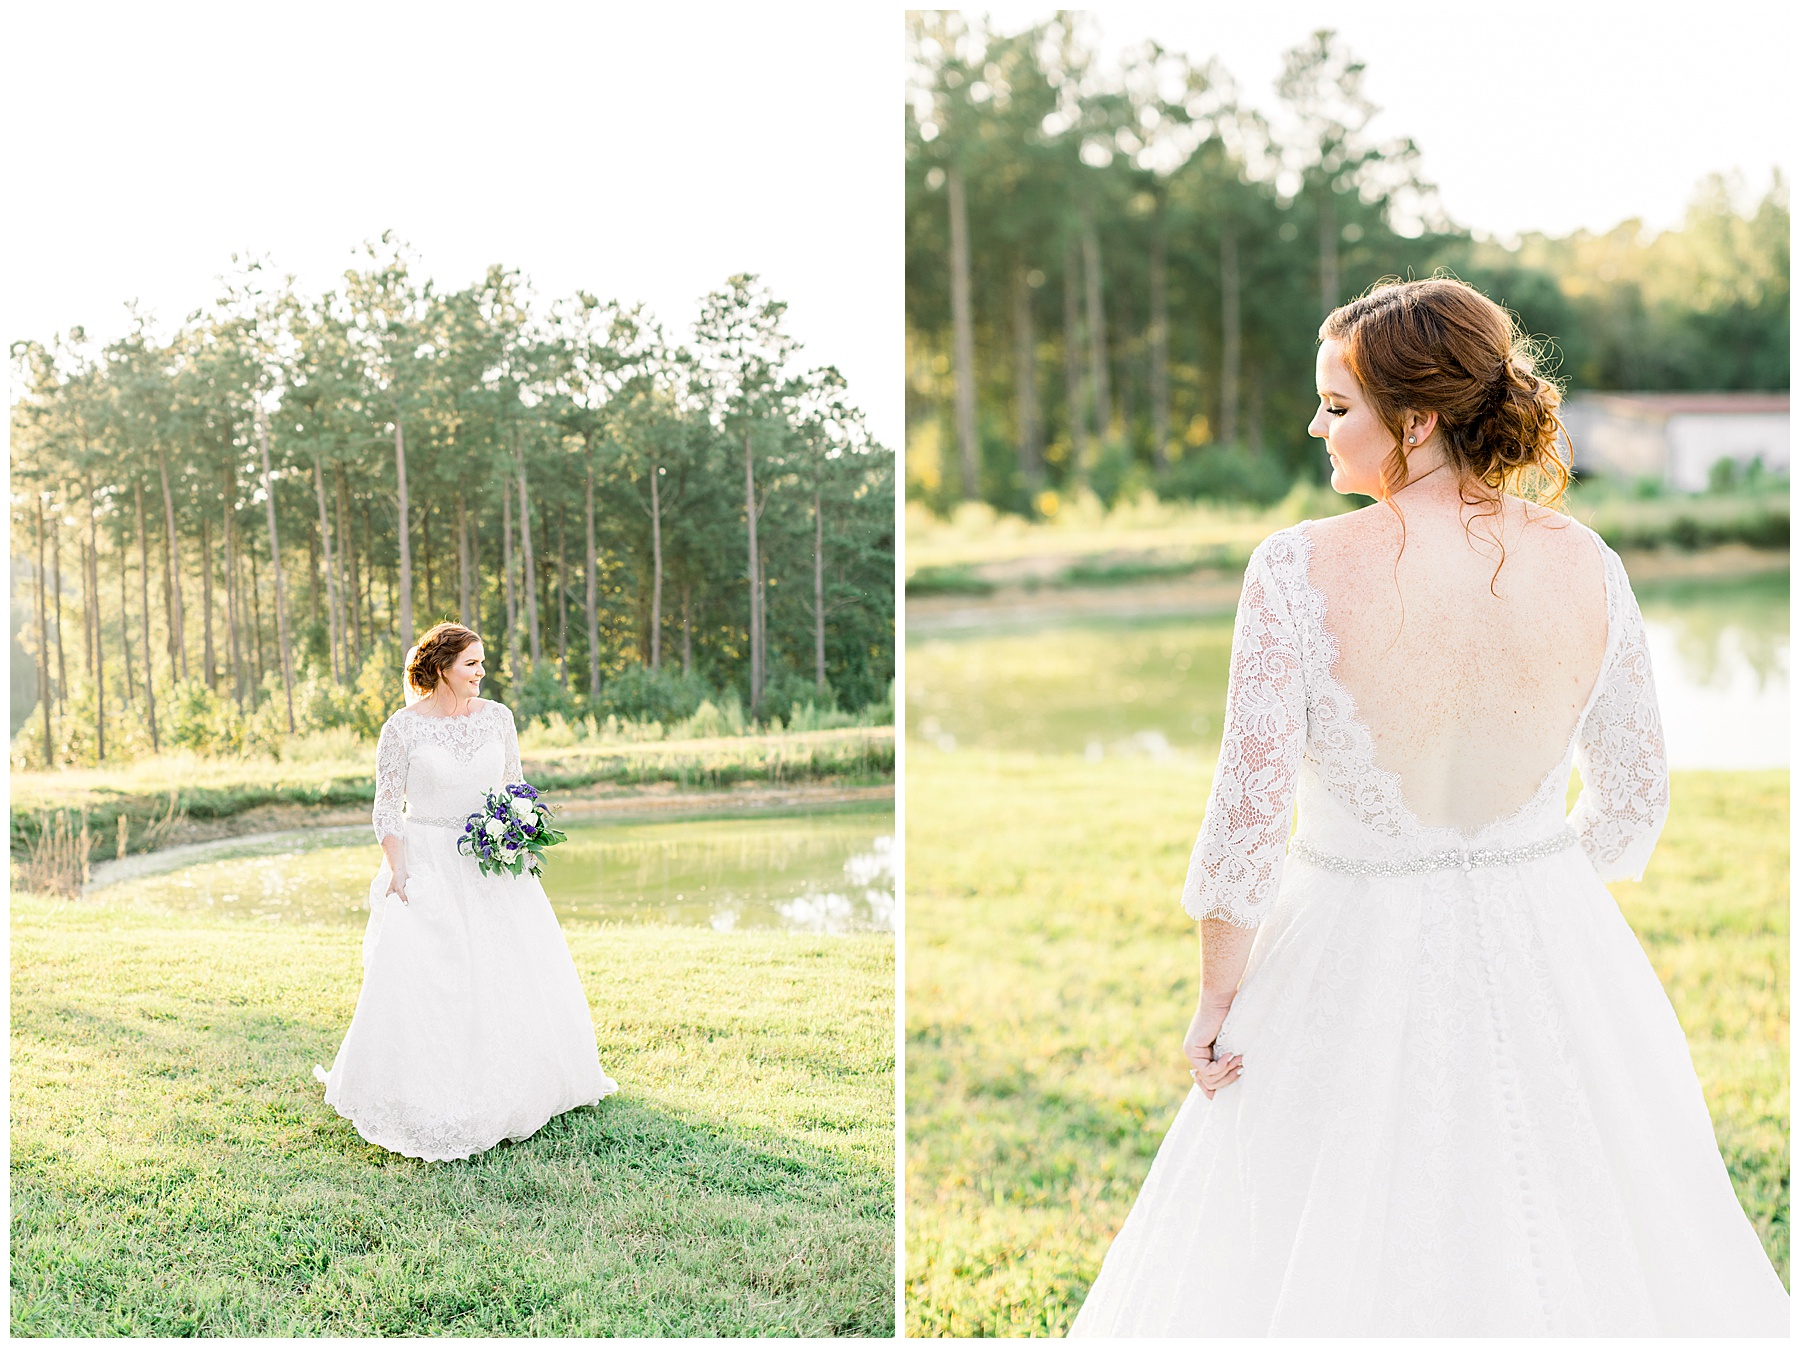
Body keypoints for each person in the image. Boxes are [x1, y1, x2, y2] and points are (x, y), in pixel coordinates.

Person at [1070, 278, 1788, 1335]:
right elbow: (1635, 800)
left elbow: (1247, 819)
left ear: (1415, 420)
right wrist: (1534, 885)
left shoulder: (1295, 570)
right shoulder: (1588, 562)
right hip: (1555, 940)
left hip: (1343, 943)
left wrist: (1218, 995)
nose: (1315, 425)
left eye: (1337, 405)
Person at [314, 622, 616, 1161]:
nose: (482, 672)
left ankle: (526, 1083)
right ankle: (427, 1091)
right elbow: (387, 808)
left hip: (491, 861)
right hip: (428, 861)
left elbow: (515, 787)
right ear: (441, 668)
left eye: (482, 662)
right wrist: (398, 871)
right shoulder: (401, 728)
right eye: (472, 663)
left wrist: (521, 833)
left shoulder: (498, 717)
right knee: (435, 976)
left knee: (509, 969)